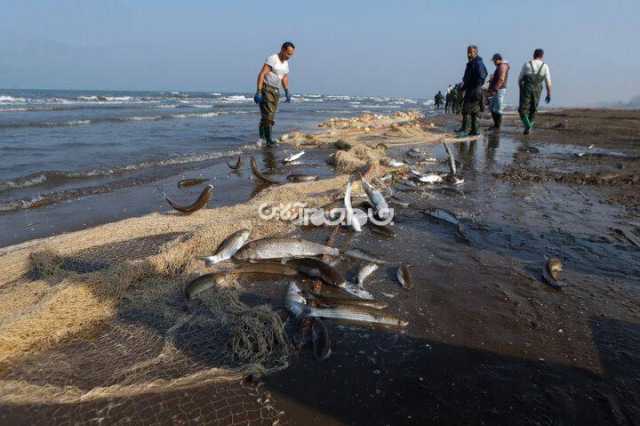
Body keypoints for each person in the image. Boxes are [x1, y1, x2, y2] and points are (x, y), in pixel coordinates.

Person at [254, 41, 295, 145]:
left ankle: (261, 138)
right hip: (266, 88)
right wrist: (258, 91)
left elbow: (284, 77)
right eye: (288, 53)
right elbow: (262, 74)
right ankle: (268, 140)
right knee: (269, 114)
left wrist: (286, 90)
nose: (290, 56)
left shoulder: (285, 63)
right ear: (282, 49)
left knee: (267, 115)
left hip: (276, 90)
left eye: (291, 54)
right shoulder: (273, 59)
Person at [518, 48, 552, 135]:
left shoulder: (527, 64)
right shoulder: (545, 66)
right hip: (538, 90)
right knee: (533, 109)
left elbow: (519, 79)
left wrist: (521, 89)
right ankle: (528, 128)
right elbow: (548, 82)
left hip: (527, 88)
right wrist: (549, 94)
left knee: (522, 110)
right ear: (542, 56)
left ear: (533, 55)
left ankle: (528, 126)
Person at [457, 45, 488, 137]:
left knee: (466, 110)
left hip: (474, 89)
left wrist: (475, 84)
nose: (469, 54)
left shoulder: (477, 63)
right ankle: (474, 130)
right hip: (472, 88)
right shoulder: (472, 63)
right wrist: (463, 87)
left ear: (476, 52)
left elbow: (482, 75)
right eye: (468, 52)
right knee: (474, 111)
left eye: (471, 52)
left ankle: (465, 130)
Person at [487, 53, 510, 131]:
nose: (493, 62)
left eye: (494, 60)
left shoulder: (502, 66)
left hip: (499, 90)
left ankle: (497, 126)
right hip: (498, 89)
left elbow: (501, 79)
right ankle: (496, 125)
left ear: (498, 59)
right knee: (493, 108)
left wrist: (495, 89)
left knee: (497, 108)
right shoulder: (500, 67)